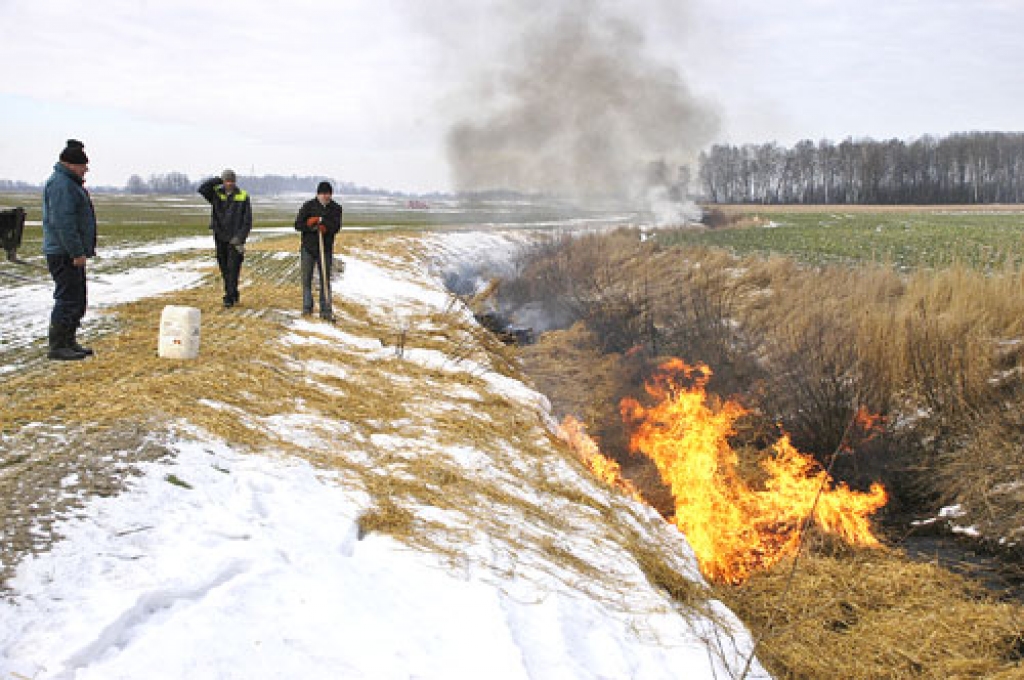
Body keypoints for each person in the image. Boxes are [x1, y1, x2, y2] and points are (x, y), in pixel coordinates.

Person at [42, 139, 97, 361]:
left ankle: (69, 341)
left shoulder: (69, 183)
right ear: (71, 164)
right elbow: (64, 223)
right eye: (84, 165)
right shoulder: (61, 185)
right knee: (67, 298)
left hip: (69, 252)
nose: (86, 169)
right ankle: (58, 346)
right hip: (64, 253)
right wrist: (76, 252)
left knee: (77, 298)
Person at [197, 169, 252, 308]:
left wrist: (240, 237)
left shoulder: (243, 196)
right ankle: (233, 293)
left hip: (235, 239)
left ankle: (228, 297)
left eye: (232, 181)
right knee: (224, 268)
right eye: (227, 181)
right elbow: (202, 189)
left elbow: (247, 221)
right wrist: (217, 180)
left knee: (233, 268)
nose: (229, 183)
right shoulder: (216, 194)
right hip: (220, 236)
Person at [293, 181, 343, 320]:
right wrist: (310, 224)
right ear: (318, 194)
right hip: (308, 248)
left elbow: (336, 226)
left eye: (328, 194)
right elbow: (298, 224)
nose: (326, 196)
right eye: (323, 194)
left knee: (325, 280)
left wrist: (325, 226)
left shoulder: (336, 208)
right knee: (306, 279)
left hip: (325, 249)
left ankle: (326, 310)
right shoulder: (308, 206)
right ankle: (307, 308)